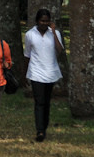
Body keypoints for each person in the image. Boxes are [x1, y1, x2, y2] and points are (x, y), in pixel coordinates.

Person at [23, 9, 65, 142]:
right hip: (36, 72)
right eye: (42, 21)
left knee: (46, 102)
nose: (44, 23)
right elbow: (27, 55)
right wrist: (25, 73)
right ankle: (40, 130)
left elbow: (59, 50)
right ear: (37, 21)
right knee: (39, 102)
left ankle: (44, 126)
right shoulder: (30, 34)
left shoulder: (55, 33)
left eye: (47, 21)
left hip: (50, 72)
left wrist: (54, 32)